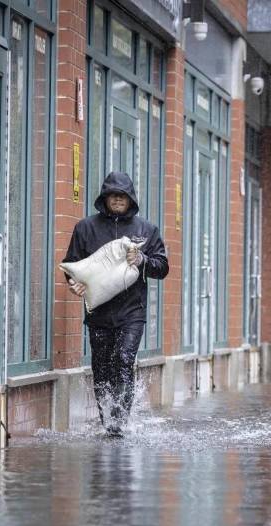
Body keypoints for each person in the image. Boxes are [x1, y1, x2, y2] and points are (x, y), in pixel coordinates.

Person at [62, 171, 169, 437]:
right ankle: (106, 419)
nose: (118, 200)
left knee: (123, 359)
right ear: (105, 198)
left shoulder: (146, 230)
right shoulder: (86, 228)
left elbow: (162, 267)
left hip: (132, 312)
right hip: (98, 313)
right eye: (113, 196)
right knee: (101, 366)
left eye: (122, 196)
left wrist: (142, 260)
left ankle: (120, 421)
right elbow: (73, 265)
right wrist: (73, 283)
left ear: (130, 198)